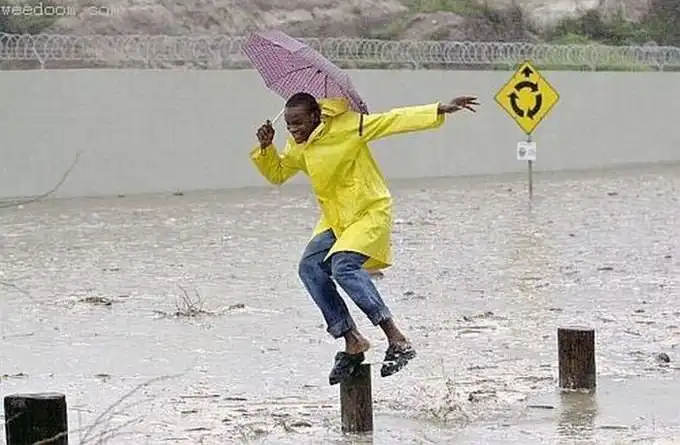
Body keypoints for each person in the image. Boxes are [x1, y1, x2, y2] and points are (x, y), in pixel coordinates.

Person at [250, 92, 479, 385]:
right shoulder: (298, 146)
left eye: (299, 123)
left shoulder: (349, 126)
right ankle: (352, 340)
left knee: (343, 266)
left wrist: (439, 109)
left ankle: (397, 339)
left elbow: (393, 120)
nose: (293, 130)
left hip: (368, 211)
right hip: (336, 220)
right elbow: (278, 174)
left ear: (315, 117)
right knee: (309, 268)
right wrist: (266, 148)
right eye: (289, 125)